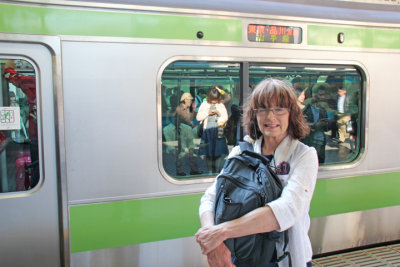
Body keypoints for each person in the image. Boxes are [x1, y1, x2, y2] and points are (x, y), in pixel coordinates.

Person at [195, 79, 318, 267]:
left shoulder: (303, 156)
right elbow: (210, 199)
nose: (270, 117)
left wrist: (221, 233)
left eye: (279, 109)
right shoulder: (241, 152)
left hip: (283, 260)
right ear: (254, 115)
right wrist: (215, 244)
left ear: (292, 114)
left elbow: (288, 209)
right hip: (241, 257)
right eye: (262, 109)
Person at [196, 86, 228, 174]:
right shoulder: (204, 104)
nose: (214, 102)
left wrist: (219, 113)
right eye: (212, 99)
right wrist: (207, 113)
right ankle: (210, 172)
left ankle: (217, 172)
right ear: (209, 97)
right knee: (208, 154)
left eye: (216, 99)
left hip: (219, 131)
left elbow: (225, 118)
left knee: (218, 153)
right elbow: (198, 118)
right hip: (208, 132)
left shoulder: (221, 105)